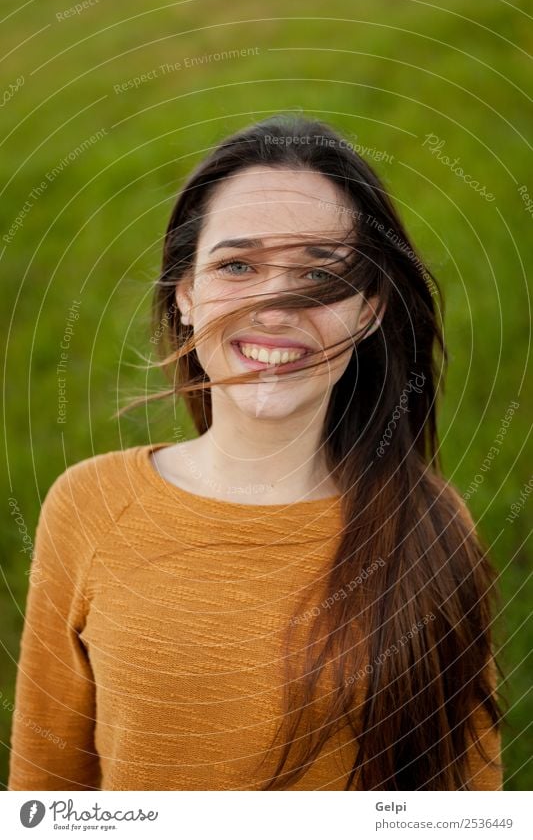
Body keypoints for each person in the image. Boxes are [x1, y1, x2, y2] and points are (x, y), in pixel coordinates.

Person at [9, 114, 504, 791]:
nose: (275, 303)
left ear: (368, 309)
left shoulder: (427, 521)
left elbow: (463, 807)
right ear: (186, 294)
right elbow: (47, 795)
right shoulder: (88, 505)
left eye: (319, 272)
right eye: (238, 265)